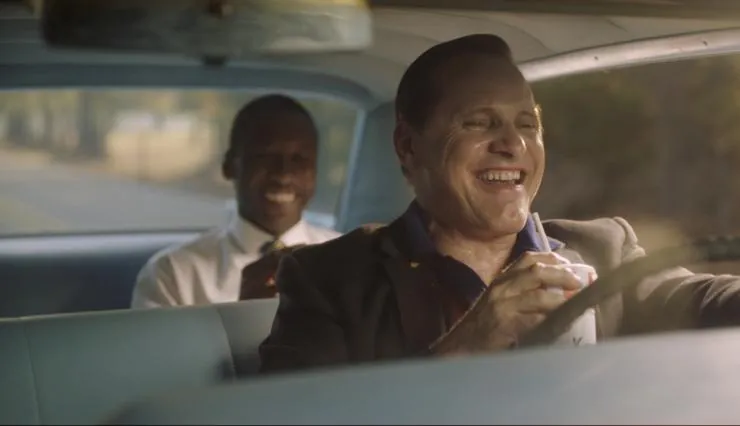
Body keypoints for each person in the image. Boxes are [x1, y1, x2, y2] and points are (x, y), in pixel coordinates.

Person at [258, 34, 740, 372]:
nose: (513, 144)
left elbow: (706, 301)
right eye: (479, 122)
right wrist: (469, 344)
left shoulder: (604, 248)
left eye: (527, 124)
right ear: (408, 146)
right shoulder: (327, 280)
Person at [131, 94, 341, 308]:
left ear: (316, 170)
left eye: (300, 159)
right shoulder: (173, 274)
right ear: (229, 166)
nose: (283, 175)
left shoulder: (349, 261)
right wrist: (241, 318)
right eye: (265, 156)